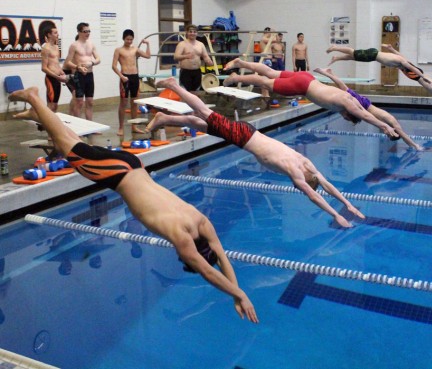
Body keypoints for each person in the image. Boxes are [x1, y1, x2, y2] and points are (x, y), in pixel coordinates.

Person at [9, 86, 258, 324]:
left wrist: (238, 292)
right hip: (117, 175)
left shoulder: (200, 221)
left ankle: (39, 112)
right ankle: (35, 99)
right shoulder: (181, 238)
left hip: (134, 165)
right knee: (68, 147)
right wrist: (239, 296)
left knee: (78, 146)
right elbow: (208, 271)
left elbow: (221, 258)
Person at [145, 78, 365, 228]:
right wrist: (336, 214)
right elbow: (315, 194)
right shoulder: (297, 172)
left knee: (204, 125)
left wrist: (348, 205)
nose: (298, 186)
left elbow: (326, 185)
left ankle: (166, 119)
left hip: (247, 134)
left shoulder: (306, 164)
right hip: (244, 137)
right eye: (301, 186)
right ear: (307, 180)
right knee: (204, 113)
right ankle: (174, 86)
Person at [222, 58, 399, 140]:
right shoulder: (346, 105)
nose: (344, 117)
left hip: (308, 78)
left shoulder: (350, 98)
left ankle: (241, 63)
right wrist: (384, 126)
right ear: (348, 114)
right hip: (302, 86)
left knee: (269, 73)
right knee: (265, 82)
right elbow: (365, 115)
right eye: (347, 117)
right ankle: (236, 77)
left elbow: (362, 110)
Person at [314, 67, 423, 151]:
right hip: (365, 105)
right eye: (390, 134)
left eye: (388, 135)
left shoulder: (388, 125)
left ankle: (329, 73)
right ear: (394, 132)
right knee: (344, 90)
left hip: (365, 105)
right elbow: (403, 135)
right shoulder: (392, 122)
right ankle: (327, 73)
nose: (387, 133)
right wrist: (415, 145)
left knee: (344, 90)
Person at [112, 29, 151, 136]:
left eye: (131, 39)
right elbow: (114, 66)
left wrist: (147, 44)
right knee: (123, 103)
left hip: (135, 77)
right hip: (125, 77)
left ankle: (134, 126)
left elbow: (148, 56)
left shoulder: (135, 49)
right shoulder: (118, 50)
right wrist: (121, 76)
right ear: (123, 38)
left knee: (135, 103)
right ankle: (120, 127)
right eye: (127, 39)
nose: (129, 41)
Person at [326, 45, 428, 83]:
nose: (405, 72)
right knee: (353, 52)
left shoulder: (402, 64)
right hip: (373, 54)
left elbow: (399, 54)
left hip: (373, 57)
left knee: (354, 57)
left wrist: (391, 48)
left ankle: (336, 58)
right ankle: (335, 48)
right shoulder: (404, 63)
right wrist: (423, 76)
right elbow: (413, 69)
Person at [64, 22, 101, 120]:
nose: (88, 33)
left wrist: (92, 63)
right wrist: (78, 67)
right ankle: (78, 127)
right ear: (79, 32)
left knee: (90, 102)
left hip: (89, 75)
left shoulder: (91, 44)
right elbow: (67, 62)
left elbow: (98, 59)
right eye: (85, 31)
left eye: (89, 31)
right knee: (79, 102)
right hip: (79, 75)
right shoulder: (74, 45)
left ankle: (90, 126)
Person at [174, 24, 213, 91]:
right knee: (185, 92)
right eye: (190, 31)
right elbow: (176, 57)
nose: (192, 33)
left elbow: (205, 56)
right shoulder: (182, 44)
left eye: (194, 32)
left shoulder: (201, 44)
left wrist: (209, 61)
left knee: (196, 92)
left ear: (197, 33)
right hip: (185, 72)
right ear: (187, 32)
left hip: (197, 72)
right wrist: (186, 56)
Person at [40, 25, 68, 112]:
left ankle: (52, 123)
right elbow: (44, 68)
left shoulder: (56, 47)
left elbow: (56, 64)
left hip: (58, 78)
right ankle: (46, 124)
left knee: (55, 105)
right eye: (55, 33)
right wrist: (56, 76)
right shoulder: (46, 48)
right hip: (51, 78)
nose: (57, 34)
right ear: (49, 35)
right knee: (50, 104)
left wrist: (62, 72)